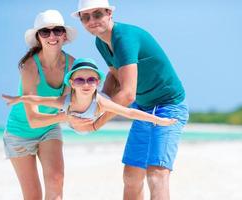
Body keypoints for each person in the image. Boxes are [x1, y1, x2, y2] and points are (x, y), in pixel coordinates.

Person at [71, 0, 189, 199]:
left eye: (97, 14)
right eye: (86, 17)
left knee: (157, 173)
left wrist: (96, 122)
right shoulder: (101, 41)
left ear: (109, 13)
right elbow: (114, 76)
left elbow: (127, 94)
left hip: (169, 106)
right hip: (143, 107)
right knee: (131, 176)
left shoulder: (124, 37)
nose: (92, 20)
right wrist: (90, 109)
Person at [3, 9, 83, 199]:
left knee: (56, 181)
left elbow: (66, 102)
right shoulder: (30, 66)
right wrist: (67, 116)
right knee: (33, 196)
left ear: (64, 35)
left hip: (49, 129)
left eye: (57, 30)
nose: (52, 36)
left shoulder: (73, 65)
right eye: (45, 32)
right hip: (19, 134)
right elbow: (34, 120)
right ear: (38, 37)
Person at [2, 58, 177, 131]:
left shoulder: (100, 101)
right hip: (80, 121)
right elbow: (37, 99)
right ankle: (114, 72)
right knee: (109, 89)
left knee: (112, 87)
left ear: (96, 82)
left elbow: (129, 112)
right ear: (71, 83)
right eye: (79, 81)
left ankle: (119, 69)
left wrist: (158, 120)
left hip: (101, 103)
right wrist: (18, 99)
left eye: (91, 80)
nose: (86, 84)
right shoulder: (65, 100)